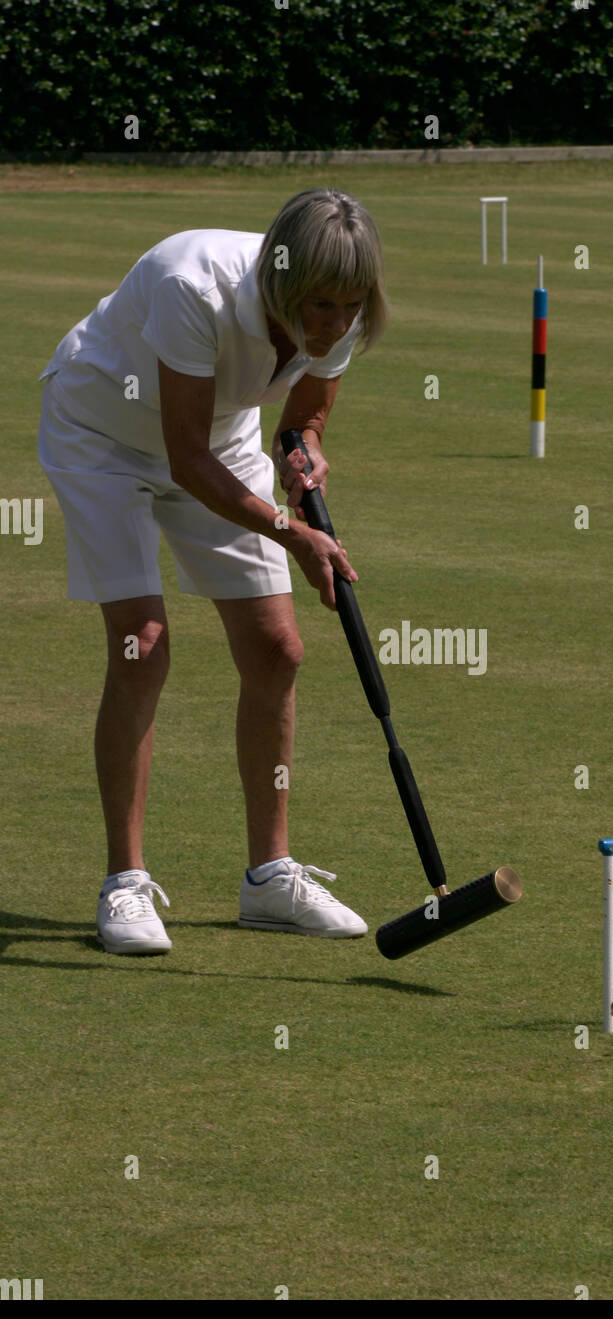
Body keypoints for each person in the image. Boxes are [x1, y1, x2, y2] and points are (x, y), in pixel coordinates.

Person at [36, 188, 388, 954]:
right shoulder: (190, 284)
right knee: (144, 643)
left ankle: (269, 878)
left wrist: (303, 449)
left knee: (277, 650)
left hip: (217, 441)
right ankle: (123, 884)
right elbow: (184, 457)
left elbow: (299, 417)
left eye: (349, 307)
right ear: (283, 283)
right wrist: (293, 534)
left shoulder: (340, 309)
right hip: (103, 436)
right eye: (320, 306)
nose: (334, 323)